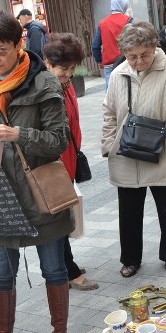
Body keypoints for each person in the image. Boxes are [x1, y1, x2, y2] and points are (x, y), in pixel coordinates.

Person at [0, 11, 78, 333]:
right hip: (1, 197)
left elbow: (59, 141)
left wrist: (19, 135)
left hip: (40, 193)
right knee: (2, 275)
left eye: (1, 51)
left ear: (19, 45)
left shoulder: (45, 84)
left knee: (54, 268)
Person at [102, 21, 166, 278]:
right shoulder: (119, 74)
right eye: (132, 57)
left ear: (154, 47)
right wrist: (109, 143)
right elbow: (108, 113)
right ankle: (130, 259)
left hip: (162, 153)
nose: (138, 61)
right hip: (125, 154)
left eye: (144, 55)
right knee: (128, 212)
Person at [42, 32, 99, 292]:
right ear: (48, 63)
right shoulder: (45, 88)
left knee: (66, 216)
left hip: (68, 161)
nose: (69, 73)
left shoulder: (64, 85)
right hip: (54, 166)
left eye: (72, 68)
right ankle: (68, 271)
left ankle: (66, 267)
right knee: (59, 220)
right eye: (63, 69)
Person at [91, 0, 133, 90]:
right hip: (126, 61)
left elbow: (95, 46)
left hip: (109, 65)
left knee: (110, 93)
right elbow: (134, 40)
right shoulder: (128, 20)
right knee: (128, 90)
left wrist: (99, 61)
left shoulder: (103, 24)